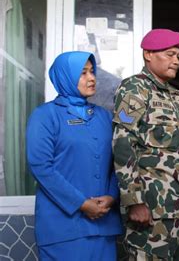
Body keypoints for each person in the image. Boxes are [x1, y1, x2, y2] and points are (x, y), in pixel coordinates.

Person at [113, 28, 179, 260]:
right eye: (169, 54)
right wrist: (134, 201)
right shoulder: (134, 88)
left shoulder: (176, 96)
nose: (176, 61)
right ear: (148, 54)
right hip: (153, 208)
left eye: (178, 56)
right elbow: (123, 143)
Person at [26, 51, 122, 261]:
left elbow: (118, 163)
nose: (92, 78)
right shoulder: (45, 116)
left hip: (103, 226)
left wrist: (112, 196)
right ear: (65, 77)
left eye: (92, 72)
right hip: (62, 228)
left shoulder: (104, 117)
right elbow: (41, 166)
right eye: (83, 73)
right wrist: (81, 203)